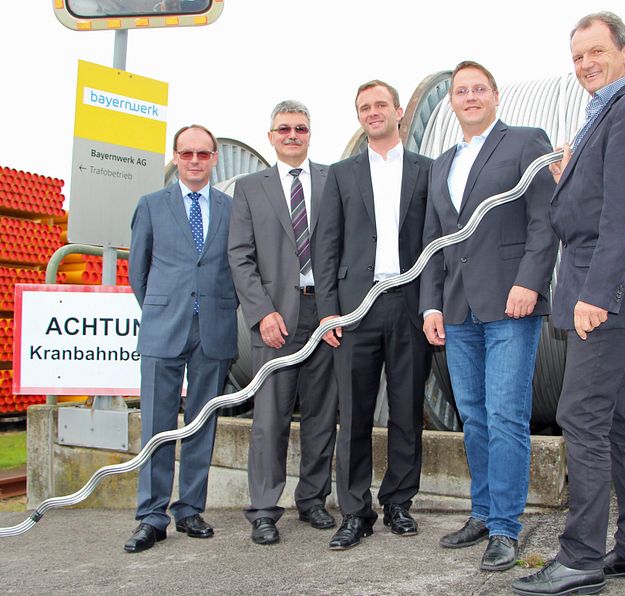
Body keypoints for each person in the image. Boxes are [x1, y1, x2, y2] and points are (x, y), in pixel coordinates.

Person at [512, 12, 625, 596]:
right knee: (621, 423)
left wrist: (596, 296)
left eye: (597, 52)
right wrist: (567, 176)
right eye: (578, 57)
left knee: (581, 416)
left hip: (605, 297)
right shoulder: (604, 116)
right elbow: (589, 209)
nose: (586, 65)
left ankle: (580, 558)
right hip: (606, 292)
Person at [420, 61, 557, 572]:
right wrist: (430, 303)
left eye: (479, 89)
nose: (470, 97)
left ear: (495, 96)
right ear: (451, 102)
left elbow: (546, 219)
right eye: (461, 91)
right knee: (473, 417)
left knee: (505, 416)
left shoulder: (526, 142)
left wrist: (529, 281)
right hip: (457, 310)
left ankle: (505, 526)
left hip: (510, 305)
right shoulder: (441, 164)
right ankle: (481, 512)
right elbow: (434, 240)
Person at [312, 80, 432, 550]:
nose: (373, 112)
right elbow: (326, 248)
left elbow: (440, 240)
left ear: (399, 111)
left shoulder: (427, 170)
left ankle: (399, 503)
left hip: (409, 301)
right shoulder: (342, 175)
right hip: (355, 308)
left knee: (407, 410)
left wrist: (431, 304)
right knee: (355, 413)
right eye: (365, 107)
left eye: (381, 104)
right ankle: (355, 512)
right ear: (359, 116)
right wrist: (328, 314)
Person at [227, 100, 337, 546]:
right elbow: (240, 255)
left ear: (310, 134)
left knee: (322, 414)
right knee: (270, 418)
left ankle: (312, 500)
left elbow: (344, 251)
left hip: (325, 314)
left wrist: (337, 310)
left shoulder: (334, 181)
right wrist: (261, 312)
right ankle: (264, 509)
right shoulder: (252, 188)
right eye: (284, 128)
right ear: (270, 136)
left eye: (301, 128)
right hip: (274, 317)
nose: (293, 135)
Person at [125, 124, 237, 553]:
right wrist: (162, 309)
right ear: (175, 157)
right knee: (156, 424)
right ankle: (151, 517)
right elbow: (139, 272)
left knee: (200, 422)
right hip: (163, 328)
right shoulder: (151, 205)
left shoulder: (231, 208)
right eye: (186, 153)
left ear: (213, 159)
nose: (194, 160)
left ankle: (189, 509)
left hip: (214, 328)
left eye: (203, 154)